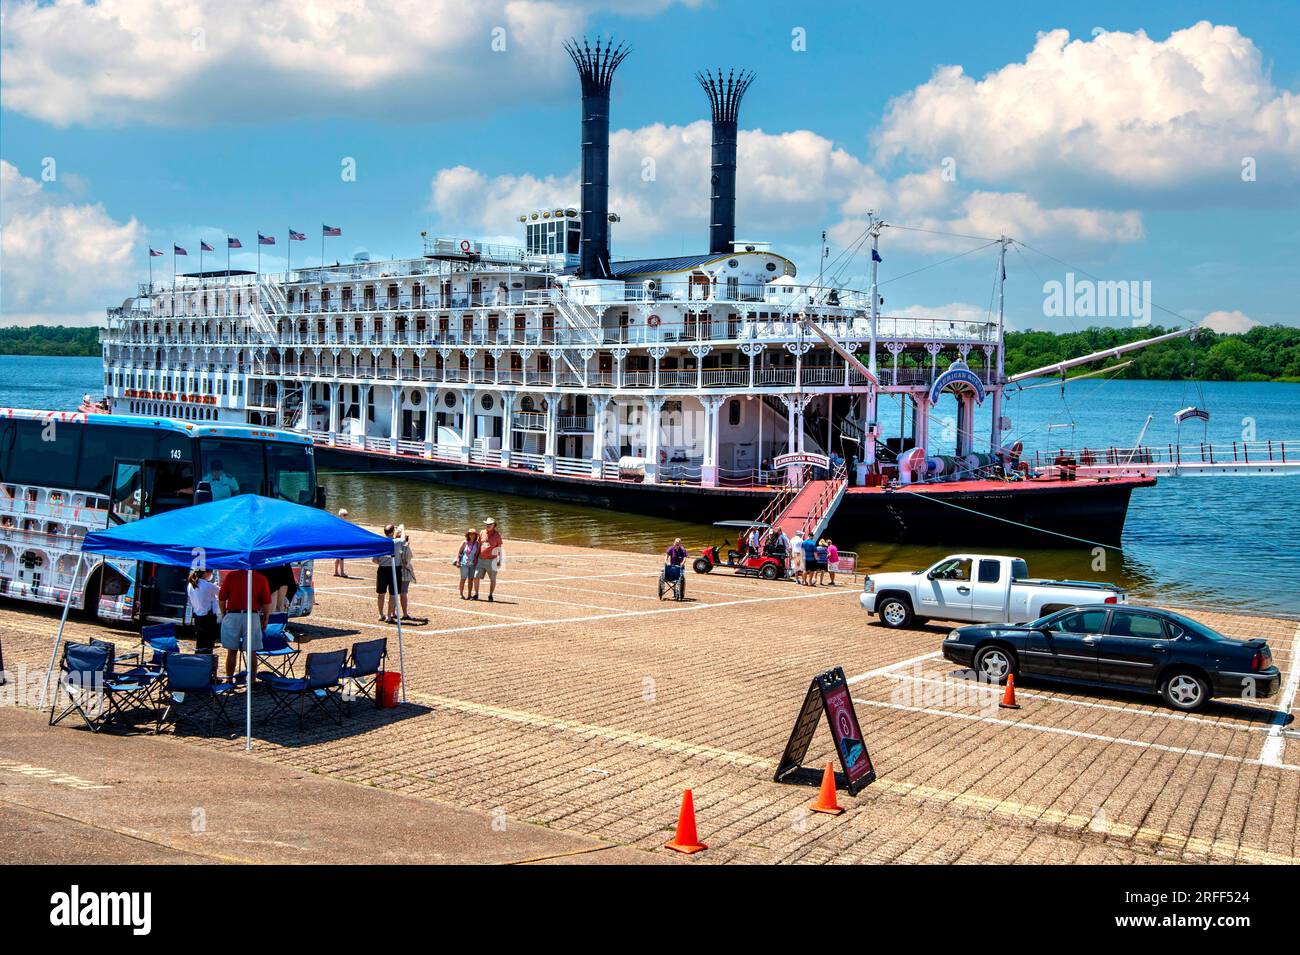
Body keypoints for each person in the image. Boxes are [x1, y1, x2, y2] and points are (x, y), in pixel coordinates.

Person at [218, 567, 271, 681]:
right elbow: (266, 602)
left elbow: (222, 598)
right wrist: (266, 618)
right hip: (251, 615)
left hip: (233, 614)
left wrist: (224, 614)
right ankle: (252, 680)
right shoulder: (261, 578)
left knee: (232, 651)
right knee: (251, 651)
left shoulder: (231, 576)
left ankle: (229, 679)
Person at [186, 568, 220, 654]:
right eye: (210, 572)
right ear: (205, 573)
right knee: (208, 644)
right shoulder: (207, 585)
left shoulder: (191, 584)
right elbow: (220, 593)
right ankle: (206, 662)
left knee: (200, 642)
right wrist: (215, 586)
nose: (211, 574)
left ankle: (200, 661)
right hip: (208, 617)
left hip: (198, 616)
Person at [373, 524, 401, 623]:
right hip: (394, 569)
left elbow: (375, 560)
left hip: (382, 569)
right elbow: (403, 538)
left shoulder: (380, 543)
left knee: (381, 593)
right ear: (392, 532)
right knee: (393, 594)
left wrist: (383, 561)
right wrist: (400, 529)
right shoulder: (397, 542)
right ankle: (389, 616)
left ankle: (381, 614)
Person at [472, 517, 503, 602]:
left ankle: (490, 595)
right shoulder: (482, 532)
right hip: (481, 559)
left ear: (494, 525)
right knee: (476, 576)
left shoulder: (497, 535)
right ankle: (476, 594)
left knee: (492, 579)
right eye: (487, 524)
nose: (488, 525)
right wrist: (476, 557)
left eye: (490, 524)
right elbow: (479, 546)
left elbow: (499, 549)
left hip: (492, 560)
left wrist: (499, 560)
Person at [396, 525, 419, 622]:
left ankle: (392, 613)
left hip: (395, 572)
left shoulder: (394, 546)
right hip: (404, 573)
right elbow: (408, 561)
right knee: (403, 594)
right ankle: (405, 613)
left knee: (394, 594)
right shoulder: (406, 548)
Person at [455, 529, 480, 600]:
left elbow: (477, 554)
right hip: (464, 563)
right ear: (468, 535)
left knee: (471, 580)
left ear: (476, 535)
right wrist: (457, 561)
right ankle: (461, 594)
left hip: (472, 564)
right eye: (470, 534)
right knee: (463, 579)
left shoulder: (477, 544)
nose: (472, 535)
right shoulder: (464, 542)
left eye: (474, 534)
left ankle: (469, 595)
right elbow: (459, 552)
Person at [334, 508, 351, 577]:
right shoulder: (339, 523)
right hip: (339, 542)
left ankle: (336, 572)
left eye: (346, 514)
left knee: (338, 557)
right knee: (341, 557)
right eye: (344, 515)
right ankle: (342, 572)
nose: (346, 516)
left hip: (340, 541)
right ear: (340, 515)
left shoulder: (342, 523)